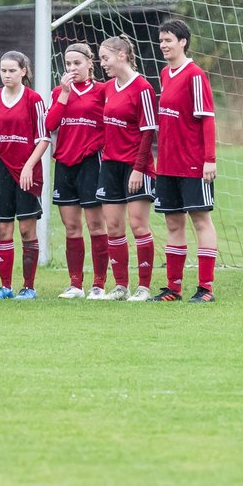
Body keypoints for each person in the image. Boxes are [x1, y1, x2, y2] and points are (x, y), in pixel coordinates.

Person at [149, 19, 218, 303]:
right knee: (173, 223)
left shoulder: (195, 74)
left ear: (183, 42)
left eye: (169, 40)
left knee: (200, 221)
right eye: (161, 41)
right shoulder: (166, 74)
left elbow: (208, 119)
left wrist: (209, 160)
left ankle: (205, 288)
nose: (164, 45)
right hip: (167, 164)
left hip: (192, 163)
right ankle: (173, 289)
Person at [0, 51, 49, 300]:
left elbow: (44, 138)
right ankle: (5, 287)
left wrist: (30, 165)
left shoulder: (34, 100)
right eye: (3, 70)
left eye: (11, 70)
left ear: (23, 71)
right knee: (2, 229)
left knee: (26, 230)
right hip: (0, 171)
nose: (6, 75)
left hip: (26, 171)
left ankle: (28, 287)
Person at [45, 42, 110, 299]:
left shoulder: (103, 91)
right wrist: (63, 93)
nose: (72, 68)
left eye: (77, 63)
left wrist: (97, 146)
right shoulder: (58, 92)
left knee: (96, 225)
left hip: (91, 163)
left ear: (89, 64)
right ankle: (75, 284)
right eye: (68, 64)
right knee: (72, 227)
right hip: (64, 164)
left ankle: (99, 284)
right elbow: (50, 124)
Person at [96, 34, 158, 301]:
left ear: (121, 55)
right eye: (100, 59)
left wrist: (138, 168)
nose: (102, 64)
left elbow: (148, 133)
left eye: (105, 58)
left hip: (136, 166)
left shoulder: (143, 88)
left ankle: (143, 287)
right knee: (113, 227)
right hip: (110, 165)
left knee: (138, 225)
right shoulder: (108, 88)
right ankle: (121, 286)